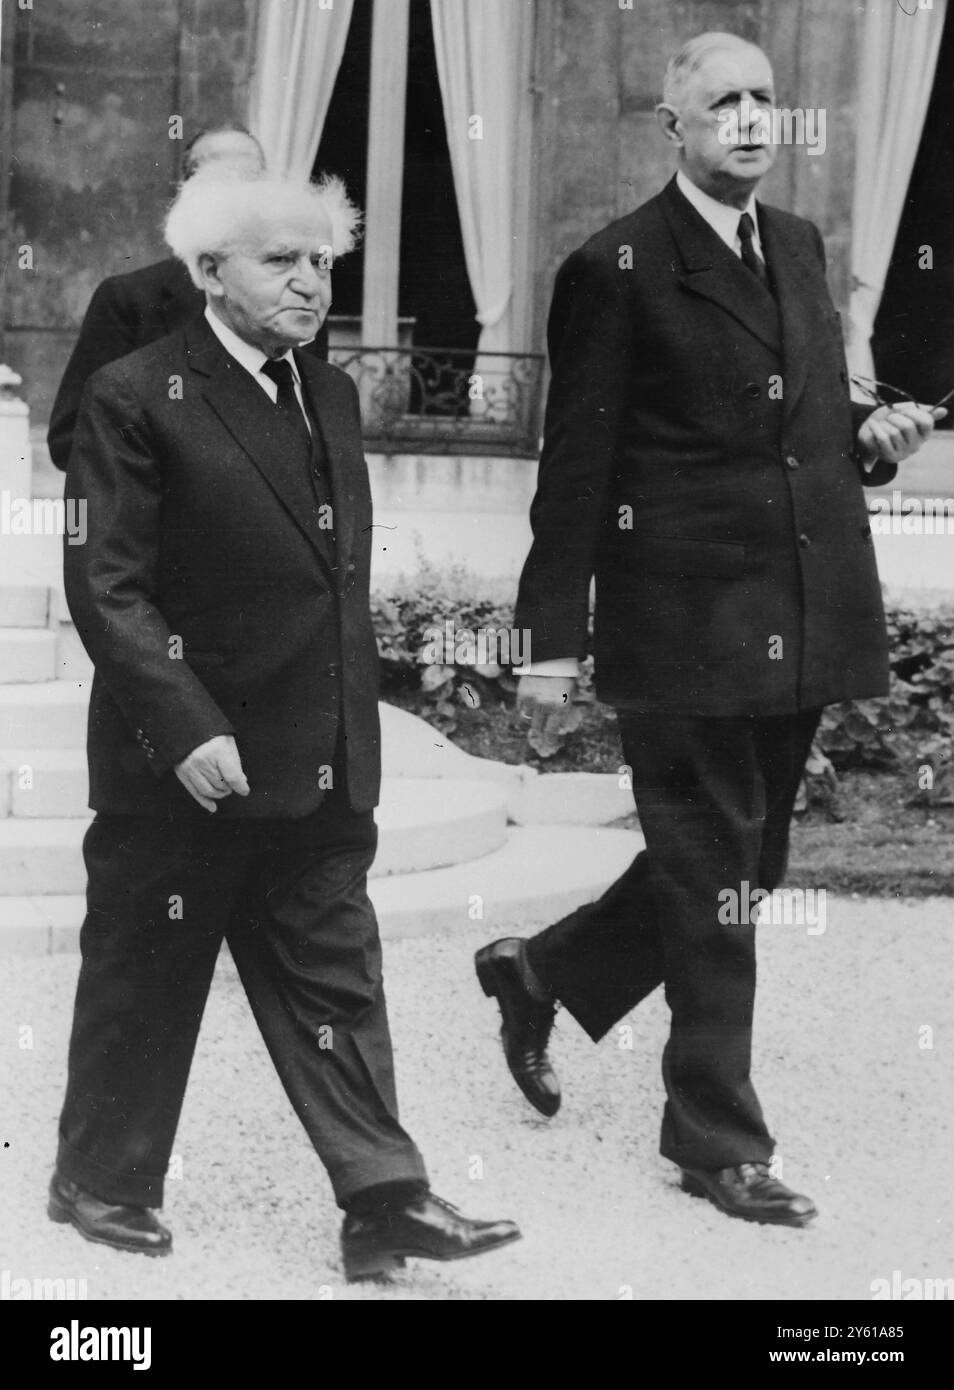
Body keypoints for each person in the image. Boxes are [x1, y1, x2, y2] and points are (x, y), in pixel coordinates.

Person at [476, 32, 943, 1228]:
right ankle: (716, 1138)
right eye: (721, 102)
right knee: (718, 881)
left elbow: (802, 422)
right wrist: (552, 642)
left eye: (764, 101)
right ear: (671, 127)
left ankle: (540, 972)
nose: (749, 119)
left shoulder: (795, 246)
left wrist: (873, 439)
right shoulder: (616, 263)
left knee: (747, 866)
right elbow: (575, 466)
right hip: (675, 624)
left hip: (791, 612)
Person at [50, 170, 519, 1282]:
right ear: (209, 272)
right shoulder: (135, 393)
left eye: (322, 263)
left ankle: (384, 1200)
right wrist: (186, 722)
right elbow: (107, 586)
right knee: (148, 975)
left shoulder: (332, 394)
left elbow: (327, 582)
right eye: (282, 261)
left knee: (337, 982)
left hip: (315, 757)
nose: (312, 283)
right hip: (185, 767)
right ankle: (99, 1181)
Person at [46, 122, 328, 470]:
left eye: (254, 182)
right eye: (223, 181)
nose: (241, 197)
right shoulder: (128, 300)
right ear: (187, 194)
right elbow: (70, 439)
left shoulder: (298, 303)